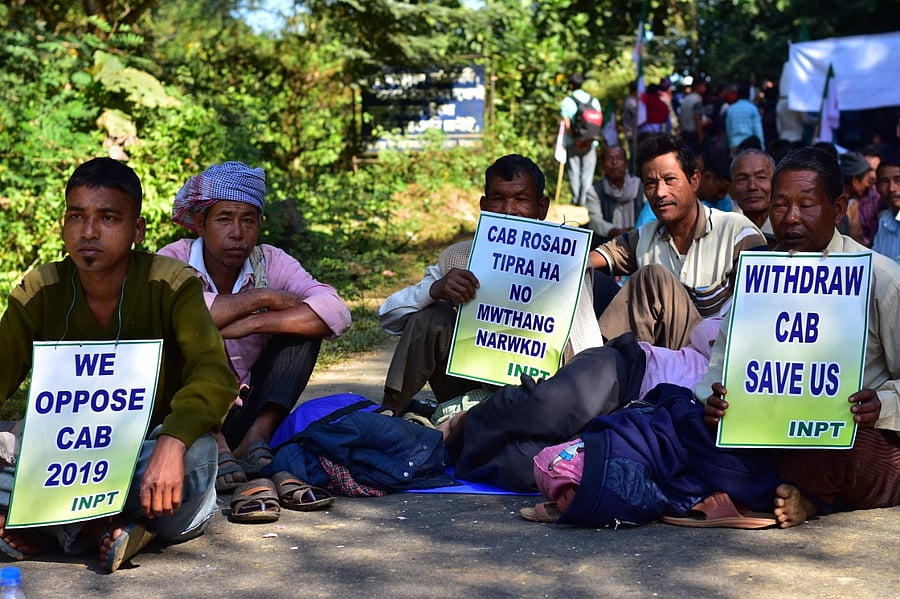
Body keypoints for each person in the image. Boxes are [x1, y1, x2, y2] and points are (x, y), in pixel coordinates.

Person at [0, 158, 236, 571]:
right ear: (63, 224)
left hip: (146, 457)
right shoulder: (40, 289)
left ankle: (47, 523)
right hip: (59, 455)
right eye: (77, 216)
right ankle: (100, 527)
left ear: (137, 230)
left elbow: (213, 372)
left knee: (197, 460)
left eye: (108, 217)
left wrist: (172, 442)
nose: (89, 232)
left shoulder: (171, 283)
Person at [699, 146, 900, 527]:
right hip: (772, 434)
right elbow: (720, 368)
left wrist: (883, 405)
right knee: (696, 429)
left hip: (849, 439)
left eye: (806, 205)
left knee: (846, 452)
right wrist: (713, 398)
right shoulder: (758, 278)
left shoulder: (881, 280)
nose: (790, 219)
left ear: (838, 208)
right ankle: (801, 492)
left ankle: (808, 497)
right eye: (780, 206)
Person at [158, 162, 351, 493]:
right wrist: (263, 297)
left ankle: (255, 440)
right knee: (183, 331)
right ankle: (215, 444)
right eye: (224, 219)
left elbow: (336, 311)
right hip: (190, 414)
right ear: (201, 224)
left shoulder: (270, 261)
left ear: (260, 224)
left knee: (304, 331)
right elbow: (176, 312)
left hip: (251, 407)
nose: (237, 232)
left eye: (247, 220)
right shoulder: (174, 259)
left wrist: (255, 322)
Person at [378, 154, 603, 417]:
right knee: (431, 316)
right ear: (484, 205)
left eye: (521, 199)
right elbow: (389, 318)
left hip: (539, 392)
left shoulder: (565, 260)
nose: (509, 210)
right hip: (468, 383)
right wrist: (434, 290)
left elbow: (588, 347)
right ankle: (386, 416)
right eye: (498, 199)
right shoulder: (459, 257)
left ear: (542, 207)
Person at [439, 317, 723, 492]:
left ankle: (457, 449)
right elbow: (702, 332)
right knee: (548, 405)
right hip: (631, 371)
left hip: (636, 426)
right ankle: (461, 424)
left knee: (531, 467)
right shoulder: (751, 306)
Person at [589, 134, 767, 350]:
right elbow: (596, 258)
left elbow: (759, 314)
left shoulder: (737, 233)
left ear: (694, 181)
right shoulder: (644, 237)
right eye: (651, 184)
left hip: (713, 358)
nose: (660, 193)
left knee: (653, 278)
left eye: (670, 180)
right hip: (662, 359)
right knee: (589, 279)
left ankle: (599, 366)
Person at [583, 145, 644, 245]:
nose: (614, 163)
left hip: (640, 239)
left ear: (626, 164)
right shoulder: (594, 190)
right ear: (602, 165)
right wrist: (616, 232)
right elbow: (595, 221)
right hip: (607, 242)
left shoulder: (640, 185)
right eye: (609, 159)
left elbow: (650, 215)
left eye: (619, 158)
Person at [560, 74, 601, 206]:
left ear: (571, 85)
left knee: (574, 170)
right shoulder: (593, 101)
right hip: (590, 142)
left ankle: (576, 199)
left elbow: (567, 124)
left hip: (574, 142)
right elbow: (598, 121)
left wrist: (575, 138)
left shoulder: (567, 101)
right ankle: (584, 200)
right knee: (587, 172)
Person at [729, 149, 777, 247]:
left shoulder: (788, 228)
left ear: (776, 185)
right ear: (731, 190)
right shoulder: (727, 231)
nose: (752, 187)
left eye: (761, 177)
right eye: (742, 179)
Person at [872, 153, 900, 262]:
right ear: (877, 187)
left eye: (898, 180)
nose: (892, 188)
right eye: (885, 181)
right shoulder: (884, 220)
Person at [725, 81, 765, 155]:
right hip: (750, 145)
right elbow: (758, 130)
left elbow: (728, 129)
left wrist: (729, 145)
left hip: (734, 144)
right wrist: (762, 148)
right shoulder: (753, 108)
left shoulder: (731, 109)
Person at [679, 77, 708, 158]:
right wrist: (700, 136)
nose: (705, 88)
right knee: (696, 157)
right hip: (694, 134)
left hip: (684, 132)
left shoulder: (686, 98)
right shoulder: (697, 100)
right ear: (698, 86)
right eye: (703, 86)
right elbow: (697, 119)